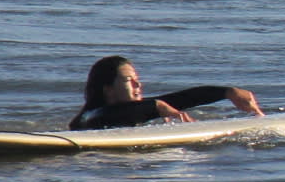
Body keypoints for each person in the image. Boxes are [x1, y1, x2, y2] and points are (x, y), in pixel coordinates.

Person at [72, 55, 262, 130]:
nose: (139, 86)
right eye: (130, 81)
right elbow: (101, 118)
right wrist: (155, 106)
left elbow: (179, 100)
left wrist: (227, 92)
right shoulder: (89, 118)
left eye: (138, 80)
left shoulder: (133, 109)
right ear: (109, 90)